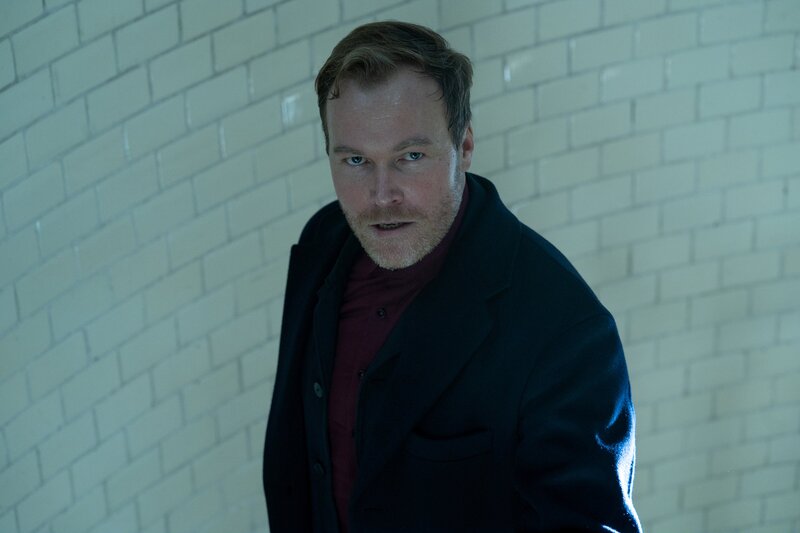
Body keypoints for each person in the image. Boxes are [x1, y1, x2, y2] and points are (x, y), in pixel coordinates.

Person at [263, 21, 642, 533]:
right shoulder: (323, 240)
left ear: (464, 146)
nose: (381, 196)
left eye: (410, 157)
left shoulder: (566, 334)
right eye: (356, 160)